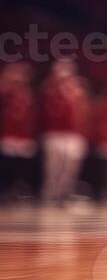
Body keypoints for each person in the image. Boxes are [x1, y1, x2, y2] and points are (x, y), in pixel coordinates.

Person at [38, 60, 89, 206]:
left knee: (70, 167)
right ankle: (50, 194)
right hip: (54, 133)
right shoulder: (49, 89)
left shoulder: (78, 91)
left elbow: (83, 114)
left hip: (73, 134)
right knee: (53, 167)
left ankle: (65, 193)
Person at [0, 64, 36, 202]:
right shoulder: (6, 92)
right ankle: (4, 191)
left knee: (19, 167)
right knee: (6, 166)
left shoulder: (27, 94)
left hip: (23, 137)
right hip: (8, 135)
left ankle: (15, 190)